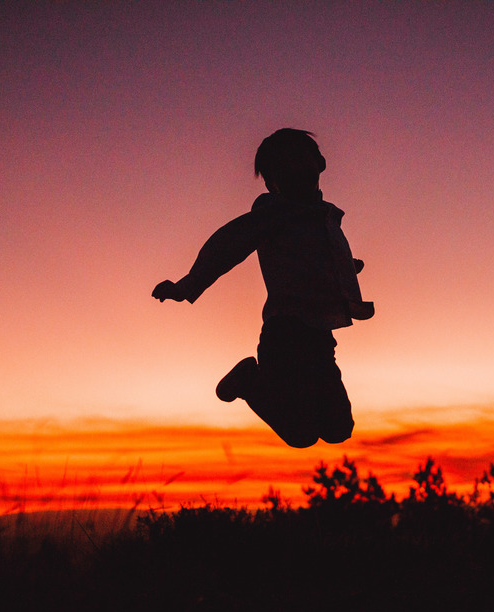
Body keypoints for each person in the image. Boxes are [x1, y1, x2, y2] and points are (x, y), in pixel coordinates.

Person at [152, 128, 374, 448]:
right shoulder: (274, 212)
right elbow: (227, 246)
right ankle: (250, 382)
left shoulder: (322, 218)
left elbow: (312, 257)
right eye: (280, 169)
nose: (293, 170)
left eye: (299, 160)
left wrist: (344, 269)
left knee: (339, 428)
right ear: (271, 183)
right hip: (285, 333)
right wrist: (187, 285)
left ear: (320, 162)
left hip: (320, 337)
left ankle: (258, 387)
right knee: (300, 434)